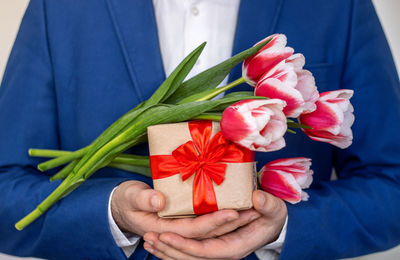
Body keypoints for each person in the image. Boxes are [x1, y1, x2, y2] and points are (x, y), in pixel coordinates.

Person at [0, 0, 399, 259]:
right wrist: (110, 212)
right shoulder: (58, 9)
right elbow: (5, 191)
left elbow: (391, 185)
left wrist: (283, 226)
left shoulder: (339, 7)